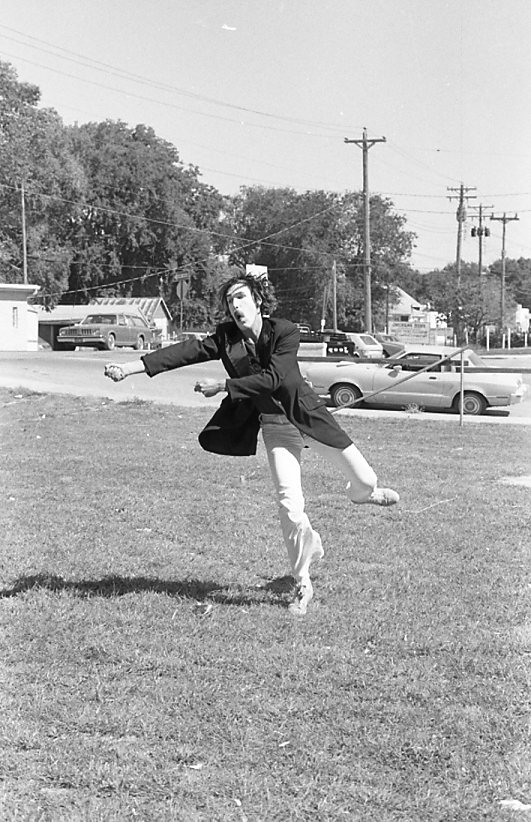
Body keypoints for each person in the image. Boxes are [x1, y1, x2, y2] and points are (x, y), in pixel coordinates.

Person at [104, 273, 399, 616]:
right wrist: (129, 368)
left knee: (365, 480)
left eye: (242, 297)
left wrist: (225, 385)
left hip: (308, 419)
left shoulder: (285, 331)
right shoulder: (226, 337)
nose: (236, 305)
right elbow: (184, 352)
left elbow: (275, 378)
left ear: (258, 300)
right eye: (231, 301)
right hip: (276, 428)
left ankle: (363, 495)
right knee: (289, 505)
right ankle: (302, 582)